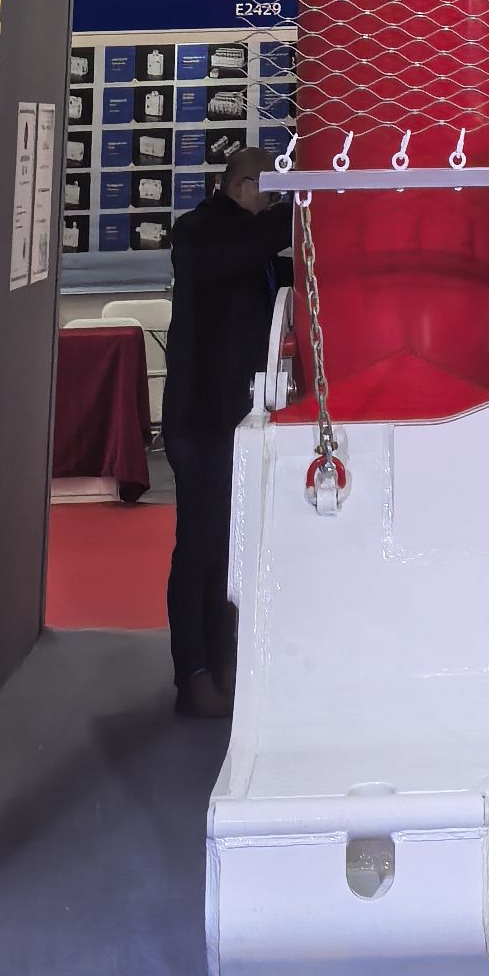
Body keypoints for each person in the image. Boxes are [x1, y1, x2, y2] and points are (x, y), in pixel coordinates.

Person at [161, 143, 289, 719]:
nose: (275, 205)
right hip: (200, 418)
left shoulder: (249, 244)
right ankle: (192, 675)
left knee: (229, 549)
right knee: (200, 548)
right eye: (270, 192)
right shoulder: (199, 232)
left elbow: (276, 265)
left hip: (235, 418)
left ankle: (220, 662)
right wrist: (306, 206)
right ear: (241, 186)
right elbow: (247, 247)